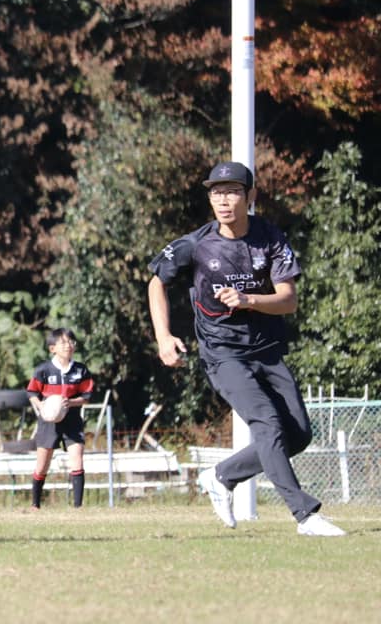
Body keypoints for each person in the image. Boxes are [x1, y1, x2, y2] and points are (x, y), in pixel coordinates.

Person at [147, 161, 345, 537]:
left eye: (232, 192)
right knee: (268, 423)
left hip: (267, 351)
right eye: (216, 193)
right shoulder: (195, 244)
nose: (223, 200)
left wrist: (248, 299)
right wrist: (163, 336)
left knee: (298, 434)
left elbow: (288, 300)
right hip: (223, 354)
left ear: (250, 196)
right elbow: (157, 282)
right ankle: (305, 515)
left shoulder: (270, 238)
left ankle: (221, 476)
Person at [26, 328, 94, 510]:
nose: (68, 346)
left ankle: (78, 507)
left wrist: (70, 403)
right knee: (42, 465)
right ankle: (35, 505)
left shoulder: (80, 370)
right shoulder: (43, 370)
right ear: (52, 348)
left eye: (71, 342)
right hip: (48, 421)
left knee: (77, 458)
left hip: (72, 419)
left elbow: (86, 396)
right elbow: (32, 393)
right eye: (63, 342)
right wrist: (42, 406)